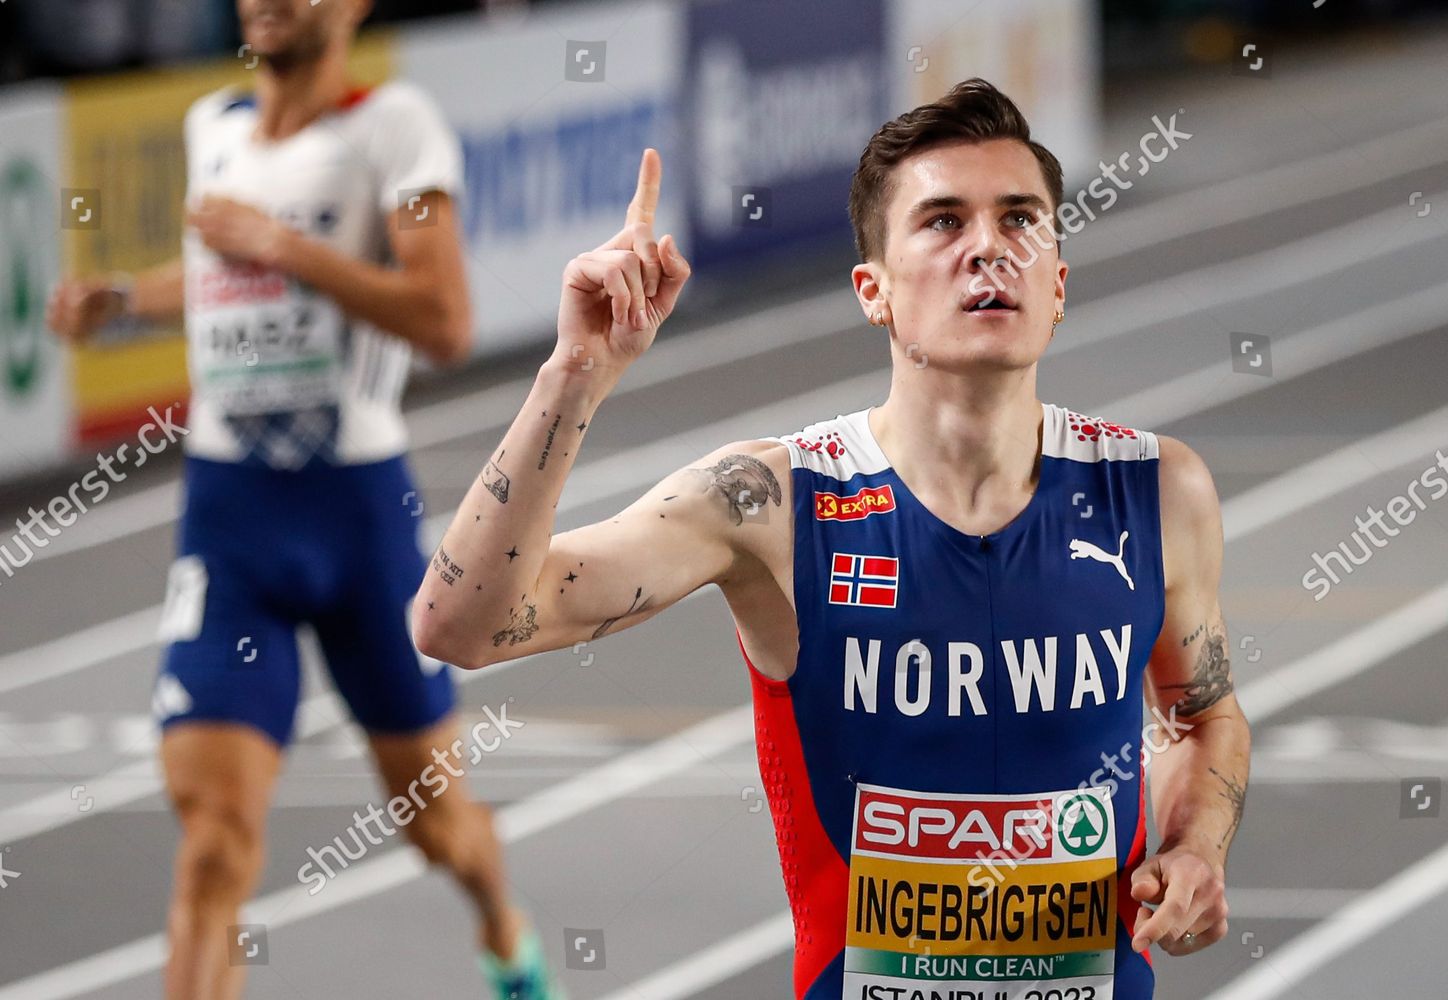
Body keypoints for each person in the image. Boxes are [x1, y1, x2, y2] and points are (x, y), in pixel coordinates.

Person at [416, 79, 1250, 999]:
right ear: (874, 293)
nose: (988, 248)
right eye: (942, 222)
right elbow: (461, 625)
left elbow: (1199, 714)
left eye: (1021, 220)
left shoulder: (1158, 489)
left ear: (1057, 284)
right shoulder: (771, 502)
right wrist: (574, 374)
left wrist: (1194, 847)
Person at [46, 1, 563, 997]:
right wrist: (123, 298)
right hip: (231, 524)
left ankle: (506, 933)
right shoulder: (214, 128)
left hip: (355, 523)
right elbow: (217, 271)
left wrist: (286, 247)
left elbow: (445, 318)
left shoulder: (394, 127)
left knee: (436, 825)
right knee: (212, 846)